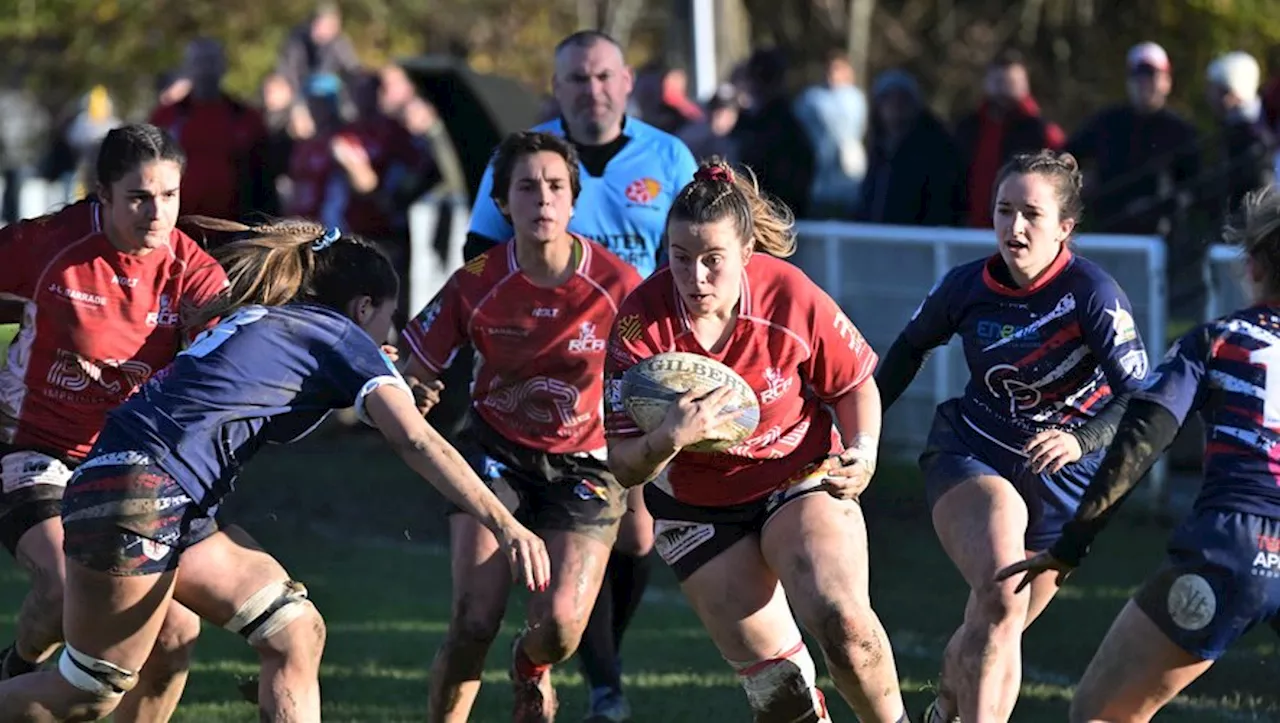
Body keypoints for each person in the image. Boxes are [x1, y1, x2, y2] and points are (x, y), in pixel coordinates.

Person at [0, 219, 551, 723]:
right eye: (388, 315)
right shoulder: (338, 337)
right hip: (145, 492)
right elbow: (412, 437)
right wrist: (505, 523)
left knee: (294, 631)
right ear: (363, 309)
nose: (389, 331)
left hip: (156, 490)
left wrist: (381, 379)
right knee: (89, 691)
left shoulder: (271, 319)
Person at [604, 159, 911, 723]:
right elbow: (622, 465)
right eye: (679, 259)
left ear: (747, 254)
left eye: (713, 261)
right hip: (696, 508)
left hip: (797, 474)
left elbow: (853, 384)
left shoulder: (788, 295)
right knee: (782, 694)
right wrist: (666, 440)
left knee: (845, 629)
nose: (695, 278)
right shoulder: (638, 325)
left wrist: (863, 451)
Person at [464, 30, 698, 722]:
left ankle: (601, 664)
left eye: (602, 77)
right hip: (551, 382)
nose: (590, 91)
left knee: (638, 536)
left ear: (626, 81)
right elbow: (478, 255)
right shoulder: (524, 159)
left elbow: (692, 257)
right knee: (598, 528)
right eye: (575, 80)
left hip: (637, 369)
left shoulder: (668, 157)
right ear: (556, 88)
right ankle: (603, 684)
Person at [874, 150, 1151, 723]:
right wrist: (860, 430)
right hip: (977, 452)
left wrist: (1080, 440)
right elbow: (906, 351)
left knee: (994, 621)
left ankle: (945, 707)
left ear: (1065, 228)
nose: (1014, 227)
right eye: (1004, 211)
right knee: (1003, 592)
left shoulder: (1093, 294)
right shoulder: (966, 285)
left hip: (1067, 482)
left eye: (1031, 214)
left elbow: (1140, 399)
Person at [997, 187, 1280, 722]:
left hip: (1235, 546)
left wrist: (1070, 546)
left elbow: (1139, 443)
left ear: (1254, 264)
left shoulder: (1216, 342)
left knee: (1100, 713)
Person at [403, 131, 641, 722]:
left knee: (559, 628)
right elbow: (415, 368)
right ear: (503, 202)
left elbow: (655, 372)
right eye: (527, 187)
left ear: (574, 198)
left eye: (556, 186)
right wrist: (415, 387)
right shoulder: (479, 278)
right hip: (493, 456)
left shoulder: (617, 285)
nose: (543, 199)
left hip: (585, 466)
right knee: (473, 623)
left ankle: (530, 665)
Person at [0, 124, 230, 722]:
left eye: (171, 196)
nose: (158, 213)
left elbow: (230, 359)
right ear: (101, 193)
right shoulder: (46, 244)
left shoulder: (194, 271)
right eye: (139, 197)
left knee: (176, 632)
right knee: (62, 590)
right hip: (33, 451)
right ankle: (15, 680)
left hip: (129, 470)